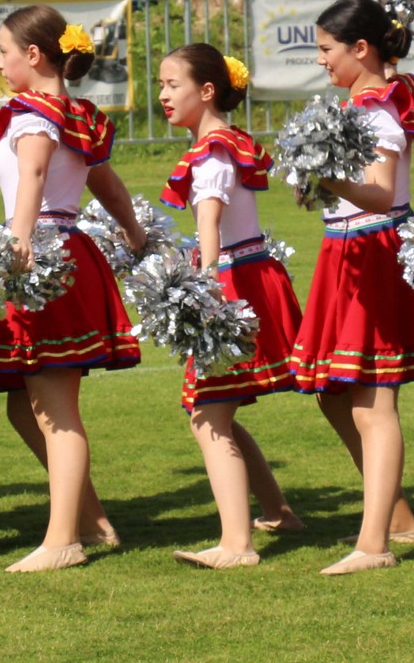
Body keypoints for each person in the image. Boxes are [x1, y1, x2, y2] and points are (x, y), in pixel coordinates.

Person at [0, 5, 147, 572]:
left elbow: (33, 176)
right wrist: (130, 229)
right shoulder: (74, 112)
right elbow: (104, 181)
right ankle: (89, 518)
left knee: (55, 407)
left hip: (43, 255)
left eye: (6, 53)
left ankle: (62, 541)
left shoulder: (34, 114)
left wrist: (20, 242)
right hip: (60, 248)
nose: (1, 65)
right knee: (23, 404)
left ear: (33, 56)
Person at [287, 0, 414, 576]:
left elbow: (382, 193)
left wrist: (325, 178)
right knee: (334, 392)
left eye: (326, 50)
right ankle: (401, 518)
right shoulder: (360, 103)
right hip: (346, 248)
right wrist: (316, 184)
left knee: (372, 401)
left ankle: (372, 545)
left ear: (360, 49)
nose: (320, 61)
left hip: (375, 249)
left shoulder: (378, 108)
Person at [157, 44, 303, 570]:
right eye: (161, 85)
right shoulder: (224, 143)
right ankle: (278, 511)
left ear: (208, 90)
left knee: (208, 414)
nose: (163, 95)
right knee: (219, 408)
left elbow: (210, 225)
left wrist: (203, 292)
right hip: (246, 276)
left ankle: (237, 545)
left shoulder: (213, 150)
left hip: (232, 283)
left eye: (173, 85)